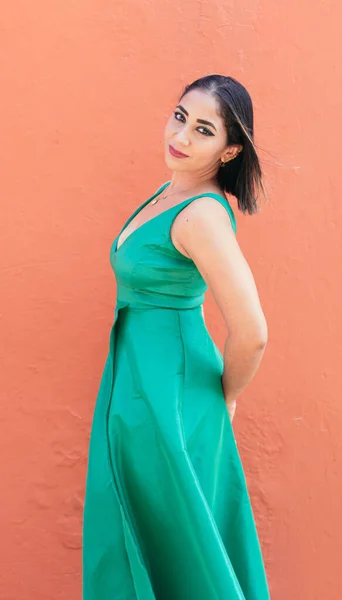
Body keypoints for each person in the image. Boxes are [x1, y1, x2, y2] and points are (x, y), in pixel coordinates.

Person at [82, 73, 271, 599]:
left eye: (203, 130)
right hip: (144, 382)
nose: (181, 136)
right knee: (156, 539)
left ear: (230, 150)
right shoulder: (173, 190)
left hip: (168, 398)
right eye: (181, 116)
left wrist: (226, 396)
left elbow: (252, 331)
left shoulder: (202, 216)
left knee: (180, 552)